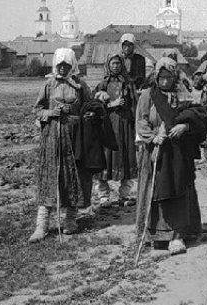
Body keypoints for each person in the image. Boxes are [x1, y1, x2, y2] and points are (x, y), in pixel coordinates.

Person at [135, 57, 207, 255]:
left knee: (179, 190)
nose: (165, 81)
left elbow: (199, 115)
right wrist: (152, 138)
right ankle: (155, 234)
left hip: (178, 154)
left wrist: (184, 126)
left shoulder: (182, 93)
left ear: (175, 76)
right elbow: (141, 120)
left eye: (169, 77)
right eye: (161, 77)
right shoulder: (148, 95)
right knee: (154, 189)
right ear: (156, 77)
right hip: (155, 153)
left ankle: (178, 235)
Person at [29, 48, 94, 242]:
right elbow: (37, 110)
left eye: (66, 65)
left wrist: (87, 114)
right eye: (60, 65)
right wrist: (51, 113)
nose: (63, 69)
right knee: (51, 176)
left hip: (75, 137)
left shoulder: (80, 85)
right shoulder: (49, 84)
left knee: (73, 175)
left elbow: (90, 107)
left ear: (72, 65)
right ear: (56, 65)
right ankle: (42, 225)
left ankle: (70, 220)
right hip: (53, 137)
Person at [93, 53, 138, 206]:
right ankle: (104, 195)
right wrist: (104, 100)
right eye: (113, 63)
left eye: (118, 63)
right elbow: (94, 106)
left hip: (125, 124)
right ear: (108, 65)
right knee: (105, 158)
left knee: (126, 156)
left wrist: (136, 125)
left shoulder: (128, 83)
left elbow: (135, 105)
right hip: (108, 125)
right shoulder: (102, 84)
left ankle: (124, 195)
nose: (116, 66)